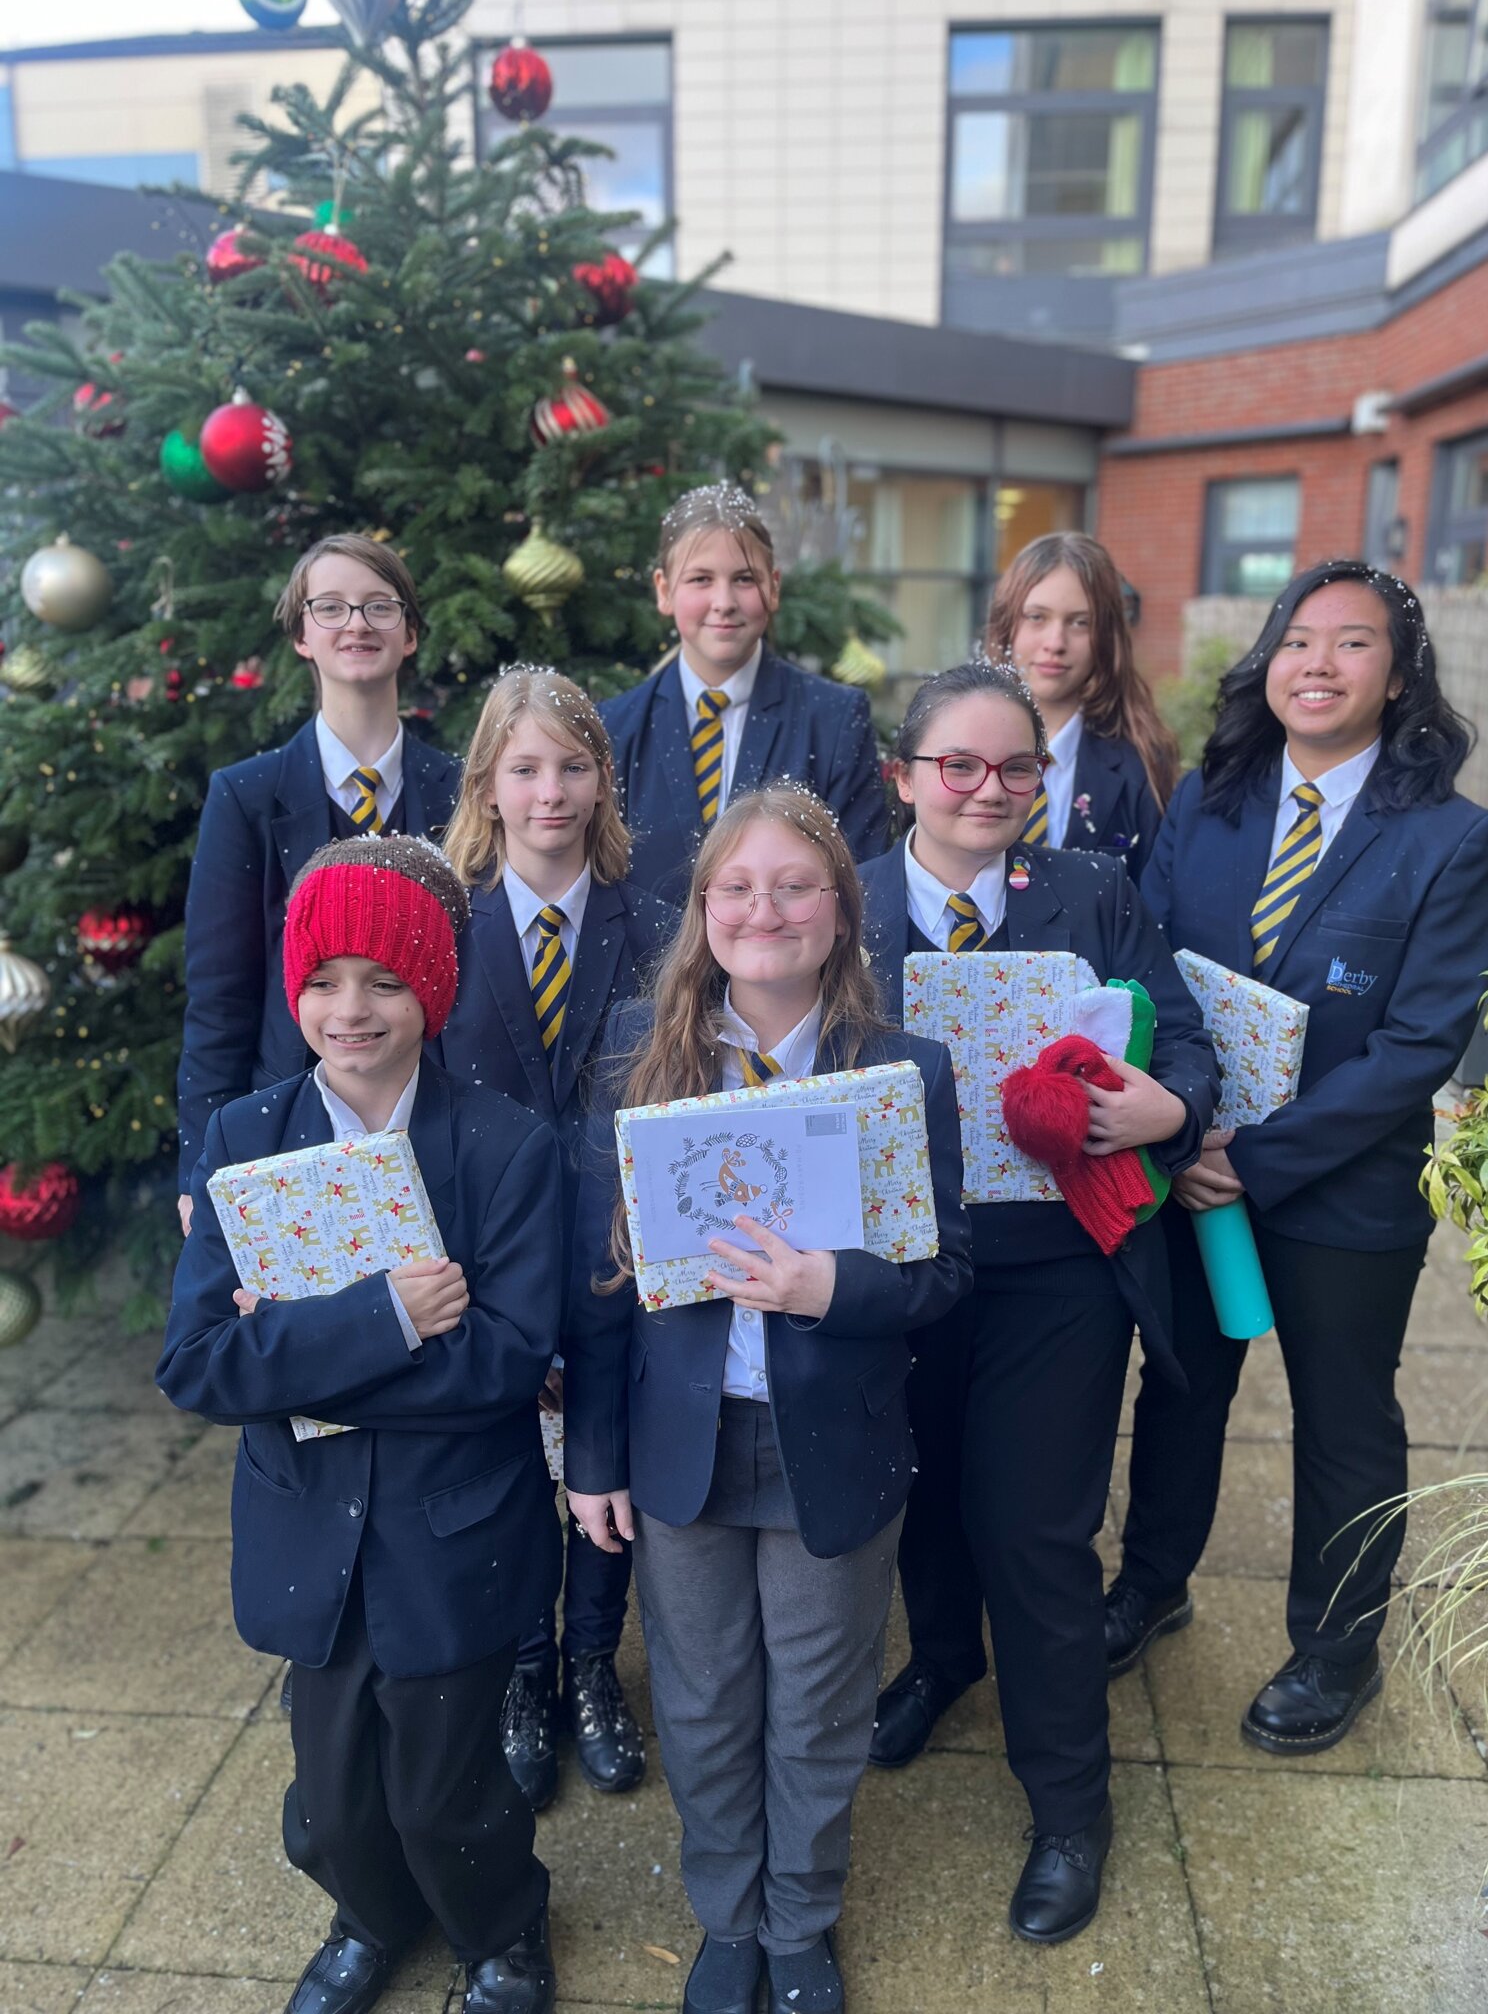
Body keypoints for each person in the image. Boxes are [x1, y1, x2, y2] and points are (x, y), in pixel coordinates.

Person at [562, 785, 972, 2014]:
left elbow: (945, 1268)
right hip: (680, 1438)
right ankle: (726, 1912)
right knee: (701, 1691)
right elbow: (596, 1289)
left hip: (826, 1445)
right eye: (736, 887)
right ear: (702, 913)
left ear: (845, 912)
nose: (764, 908)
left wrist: (827, 1285)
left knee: (819, 1693)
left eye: (796, 885)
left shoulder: (901, 1068)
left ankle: (800, 1917)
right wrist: (591, 1458)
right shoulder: (638, 1056)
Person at [1107, 559, 1488, 1755]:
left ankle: (1337, 1649)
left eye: (1352, 644)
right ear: (1267, 662)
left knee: (1345, 1418)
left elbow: (1417, 1045)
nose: (1317, 664)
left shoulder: (1450, 837)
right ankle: (1151, 1581)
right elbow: (1152, 971)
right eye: (1298, 640)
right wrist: (1185, 1132)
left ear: (1400, 676)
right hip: (1195, 1166)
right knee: (1181, 1387)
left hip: (1345, 1189)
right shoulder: (1209, 804)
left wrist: (1257, 1155)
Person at [160, 834, 563, 2014]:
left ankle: (502, 1926)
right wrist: (382, 1318)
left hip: (454, 1528)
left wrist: (283, 1353)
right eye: (325, 978)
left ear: (431, 990)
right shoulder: (246, 1138)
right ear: (295, 989)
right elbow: (195, 1360)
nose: (352, 1008)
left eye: (385, 979)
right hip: (308, 1536)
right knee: (331, 1799)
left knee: (449, 1787)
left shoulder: (504, 1149)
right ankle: (370, 1916)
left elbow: (504, 1358)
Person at [859, 659, 1218, 1942]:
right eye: (958, 763)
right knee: (926, 1495)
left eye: (1016, 766)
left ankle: (1071, 1802)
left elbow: (1182, 1041)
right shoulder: (838, 901)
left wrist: (1168, 1107)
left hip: (1060, 1269)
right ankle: (947, 1658)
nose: (990, 787)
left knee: (1034, 1529)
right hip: (902, 1269)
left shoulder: (1089, 891)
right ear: (905, 777)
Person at [438, 664, 675, 1809]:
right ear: (487, 781)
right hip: (488, 1256)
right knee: (508, 1471)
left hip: (615, 1250)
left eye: (573, 765)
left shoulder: (657, 925)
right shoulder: (445, 928)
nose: (550, 791)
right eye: (525, 767)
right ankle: (527, 1668)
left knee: (603, 1463)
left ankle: (591, 1661)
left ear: (602, 778)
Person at [177, 533, 459, 1234]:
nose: (356, 624)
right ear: (302, 634)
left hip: (441, 1124)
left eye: (379, 607)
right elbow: (220, 998)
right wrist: (201, 1172)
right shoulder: (246, 797)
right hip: (290, 1128)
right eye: (330, 608)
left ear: (411, 633)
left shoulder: (461, 793)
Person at [598, 483, 890, 907]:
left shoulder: (833, 720)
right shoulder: (617, 727)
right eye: (701, 579)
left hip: (791, 966)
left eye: (744, 579)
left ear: (773, 586)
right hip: (649, 970)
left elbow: (860, 877)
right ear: (663, 590)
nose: (724, 601)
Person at [984, 531, 1178, 884]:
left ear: (1106, 635)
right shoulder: (952, 748)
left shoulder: (1142, 765)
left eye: (1079, 622)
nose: (1055, 643)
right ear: (1007, 624)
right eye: (1037, 617)